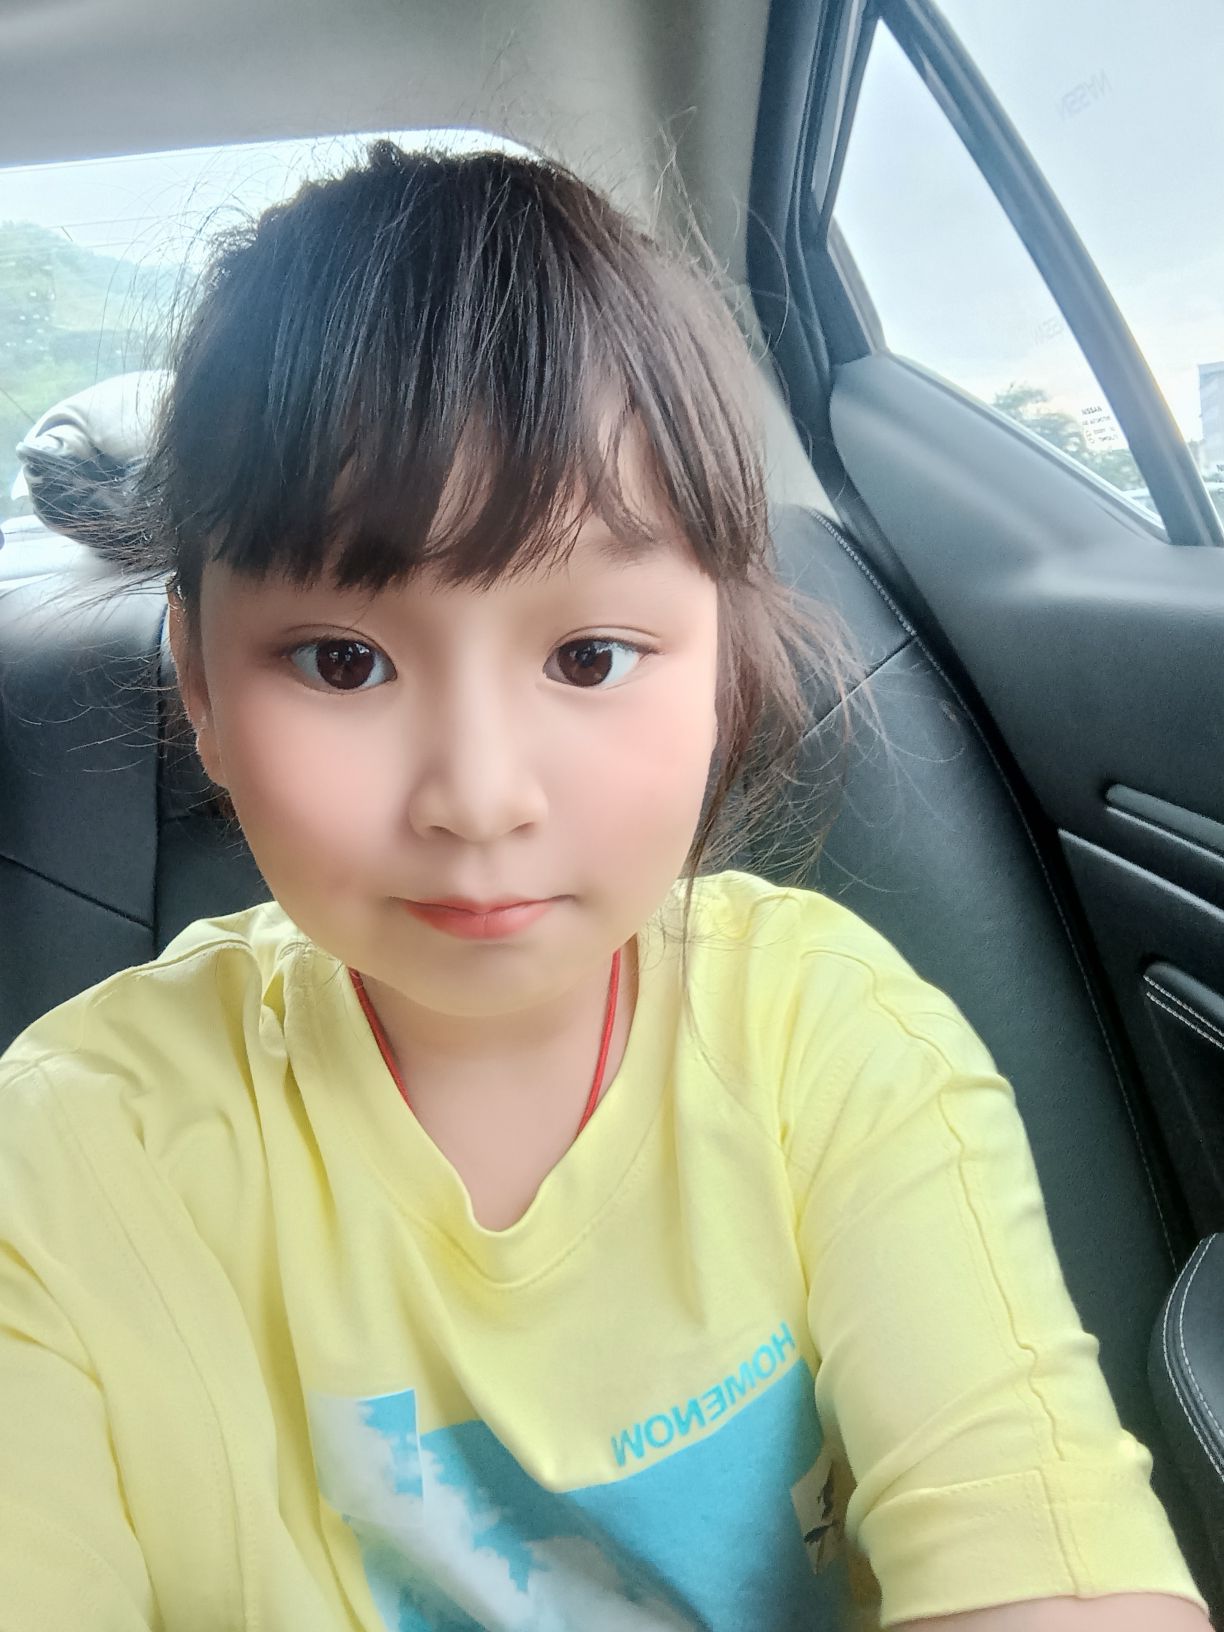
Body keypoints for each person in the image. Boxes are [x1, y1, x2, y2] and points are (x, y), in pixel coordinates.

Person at [0, 141, 1212, 1632]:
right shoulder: (68, 1153)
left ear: (720, 668)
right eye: (342, 661)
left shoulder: (831, 1042)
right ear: (198, 683)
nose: (478, 795)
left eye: (588, 657)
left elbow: (1044, 1555)